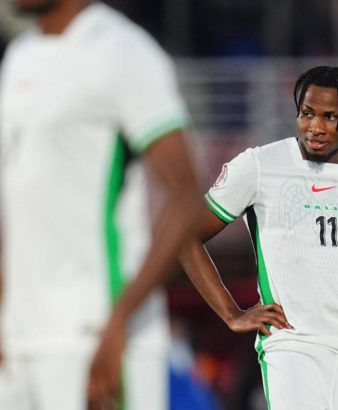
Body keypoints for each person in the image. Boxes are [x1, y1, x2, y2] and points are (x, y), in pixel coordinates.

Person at [180, 66, 338, 410]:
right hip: (289, 342)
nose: (315, 127)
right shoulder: (259, 165)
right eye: (307, 113)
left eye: (330, 116)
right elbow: (186, 238)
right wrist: (231, 312)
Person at [0, 1, 202, 409]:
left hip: (95, 339)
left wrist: (120, 319)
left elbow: (185, 194)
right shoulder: (19, 56)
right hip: (21, 342)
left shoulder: (121, 50)